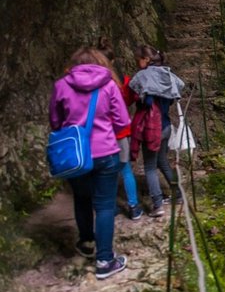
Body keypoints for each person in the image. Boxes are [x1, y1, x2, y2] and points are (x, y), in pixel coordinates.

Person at [49, 47, 130, 279]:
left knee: (82, 198)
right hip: (105, 152)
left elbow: (55, 121)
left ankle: (86, 242)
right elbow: (122, 120)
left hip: (75, 154)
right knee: (104, 205)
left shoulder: (61, 85)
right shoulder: (109, 85)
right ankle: (105, 260)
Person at [129, 45, 185, 217]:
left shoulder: (143, 76)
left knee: (150, 166)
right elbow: (179, 87)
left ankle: (157, 204)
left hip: (152, 128)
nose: (137, 63)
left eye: (138, 60)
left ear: (146, 60)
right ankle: (178, 194)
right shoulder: (167, 74)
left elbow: (144, 100)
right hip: (166, 126)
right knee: (162, 161)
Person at [97, 41, 144, 220]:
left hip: (99, 134)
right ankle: (133, 206)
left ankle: (108, 206)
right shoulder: (118, 82)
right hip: (119, 132)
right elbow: (127, 102)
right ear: (114, 59)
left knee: (104, 171)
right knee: (125, 170)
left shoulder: (91, 83)